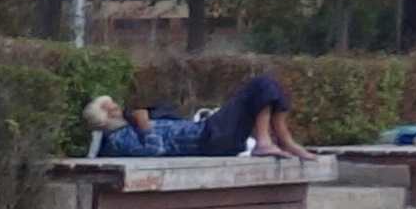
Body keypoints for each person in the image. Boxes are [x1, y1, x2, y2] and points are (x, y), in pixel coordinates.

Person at [88, 73, 312, 162]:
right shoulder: (118, 140)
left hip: (207, 133)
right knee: (262, 85)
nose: (118, 107)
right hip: (207, 137)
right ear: (105, 118)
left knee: (271, 87)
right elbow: (154, 152)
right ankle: (268, 143)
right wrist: (146, 126)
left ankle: (280, 141)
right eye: (112, 108)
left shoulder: (126, 129)